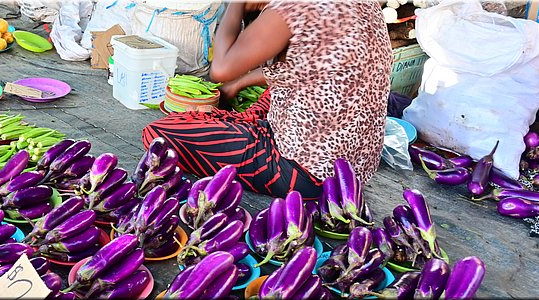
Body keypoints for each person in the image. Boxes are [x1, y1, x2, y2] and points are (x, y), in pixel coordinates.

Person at [142, 0, 392, 200]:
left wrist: (236, 5)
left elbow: (221, 68)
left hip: (305, 173)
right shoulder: (365, 3)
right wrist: (240, 83)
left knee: (159, 134)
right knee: (263, 99)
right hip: (354, 170)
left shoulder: (294, 6)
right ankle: (243, 124)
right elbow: (310, 68)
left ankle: (248, 137)